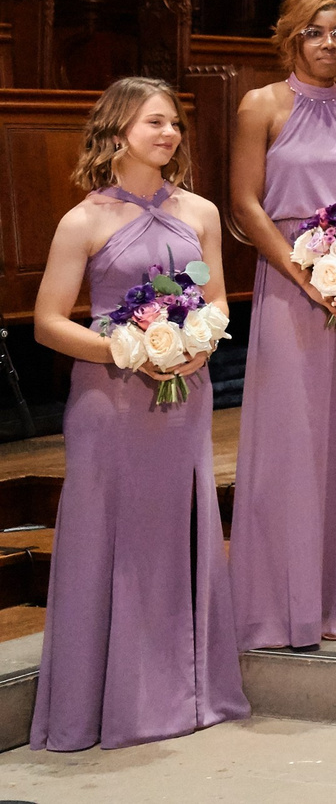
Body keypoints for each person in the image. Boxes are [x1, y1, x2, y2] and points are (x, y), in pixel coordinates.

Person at [30, 79, 249, 750]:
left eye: (175, 123)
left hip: (185, 393)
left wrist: (194, 347)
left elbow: (217, 304)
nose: (170, 134)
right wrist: (125, 352)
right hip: (109, 399)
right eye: (156, 122)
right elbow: (45, 323)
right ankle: (103, 703)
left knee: (174, 532)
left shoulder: (203, 212)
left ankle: (182, 693)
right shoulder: (84, 220)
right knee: (107, 538)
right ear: (119, 129)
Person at [229, 0, 336, 650]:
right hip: (288, 287)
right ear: (292, 37)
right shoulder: (260, 105)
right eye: (318, 32)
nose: (332, 43)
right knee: (291, 441)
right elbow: (244, 202)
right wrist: (303, 274)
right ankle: (277, 605)